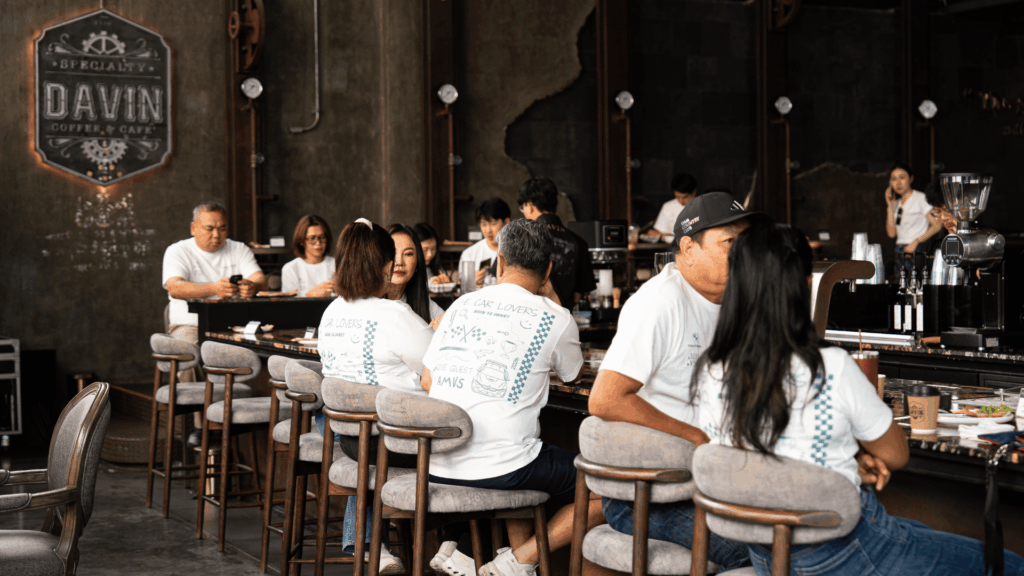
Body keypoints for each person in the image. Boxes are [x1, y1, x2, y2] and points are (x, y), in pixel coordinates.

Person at [691, 224, 1024, 576]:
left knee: (919, 530)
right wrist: (854, 458)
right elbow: (895, 454)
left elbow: (759, 457)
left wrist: (844, 462)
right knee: (1011, 565)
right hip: (843, 551)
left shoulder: (711, 368)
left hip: (765, 554)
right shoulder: (829, 366)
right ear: (805, 283)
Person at [588, 192, 771, 572]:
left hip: (716, 481)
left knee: (809, 532)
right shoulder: (660, 303)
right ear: (688, 249)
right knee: (769, 549)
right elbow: (605, 399)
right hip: (652, 495)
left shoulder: (738, 302)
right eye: (730, 243)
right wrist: (696, 438)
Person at [423, 219, 601, 576]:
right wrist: (554, 300)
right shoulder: (556, 318)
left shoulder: (460, 305)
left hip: (438, 464)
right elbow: (573, 375)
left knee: (520, 444)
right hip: (504, 468)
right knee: (611, 484)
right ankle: (520, 559)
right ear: (548, 269)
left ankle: (497, 559)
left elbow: (428, 381)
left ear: (499, 262)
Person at [317, 218, 435, 574]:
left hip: (351, 439)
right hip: (401, 441)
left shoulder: (332, 311)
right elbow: (440, 374)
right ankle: (453, 548)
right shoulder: (395, 315)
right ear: (384, 266)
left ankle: (375, 547)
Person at [163, 202, 267, 346]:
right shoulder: (178, 251)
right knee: (190, 350)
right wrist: (214, 289)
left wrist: (253, 287)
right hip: (190, 325)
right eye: (209, 228)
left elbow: (260, 279)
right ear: (193, 229)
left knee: (259, 348)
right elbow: (175, 288)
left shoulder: (239, 249)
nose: (217, 235)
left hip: (234, 325)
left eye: (222, 228)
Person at [517, 177, 596, 309]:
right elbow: (577, 296)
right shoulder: (579, 243)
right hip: (563, 317)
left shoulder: (521, 238)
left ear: (529, 206)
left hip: (528, 315)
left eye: (523, 207)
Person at [884, 163, 941, 271]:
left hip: (917, 248)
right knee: (901, 280)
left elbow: (937, 225)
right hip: (900, 249)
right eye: (894, 179)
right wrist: (890, 207)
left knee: (916, 279)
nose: (898, 183)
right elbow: (891, 234)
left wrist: (916, 242)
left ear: (911, 179)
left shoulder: (921, 198)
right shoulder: (896, 203)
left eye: (902, 177)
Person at [386, 223, 444, 322]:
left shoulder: (424, 304)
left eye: (408, 254)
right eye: (392, 252)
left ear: (418, 261)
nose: (399, 262)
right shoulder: (366, 304)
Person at [459, 198, 511, 288]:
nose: (488, 230)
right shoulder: (469, 254)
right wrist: (471, 282)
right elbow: (463, 289)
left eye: (493, 224)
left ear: (506, 222)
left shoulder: (518, 252)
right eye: (483, 224)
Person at [281, 214, 334, 297]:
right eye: (312, 238)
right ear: (301, 241)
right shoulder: (290, 268)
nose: (318, 243)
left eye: (322, 237)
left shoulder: (337, 265)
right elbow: (289, 302)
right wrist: (309, 295)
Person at [646, 172, 698, 244]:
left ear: (694, 192)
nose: (681, 200)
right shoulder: (668, 206)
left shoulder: (703, 206)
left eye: (685, 197)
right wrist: (656, 235)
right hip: (671, 247)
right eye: (678, 197)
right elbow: (659, 233)